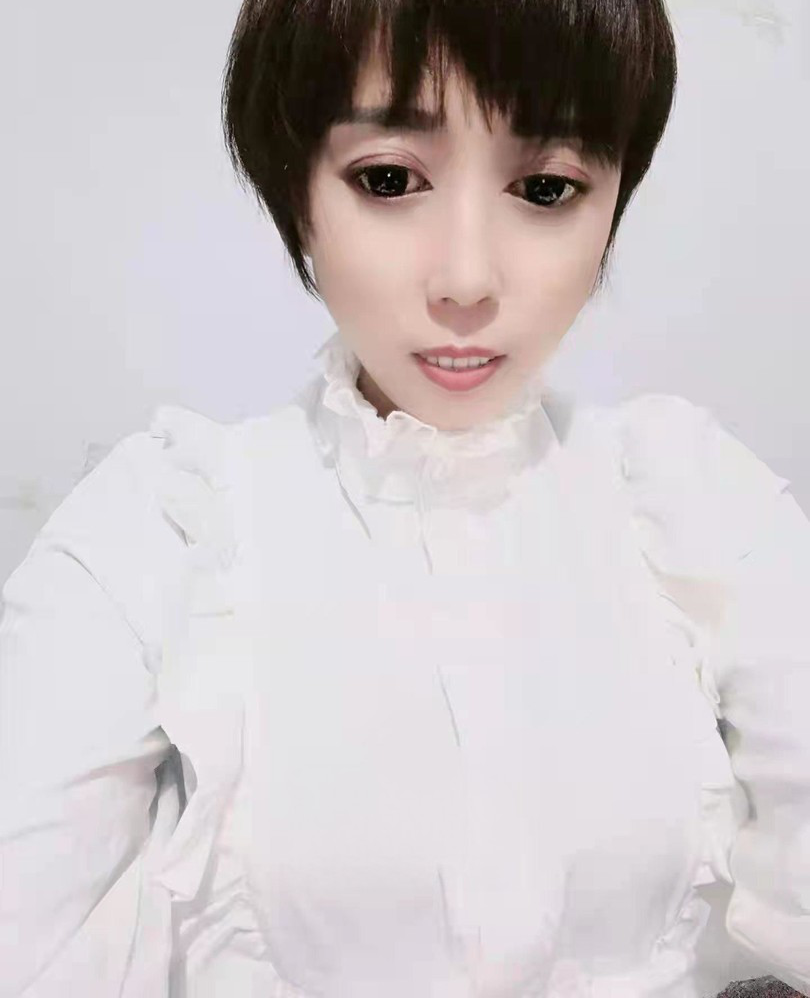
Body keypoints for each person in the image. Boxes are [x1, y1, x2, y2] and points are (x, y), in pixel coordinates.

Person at [1, 0, 808, 995]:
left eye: (546, 187)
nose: (466, 279)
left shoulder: (696, 502)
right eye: (389, 179)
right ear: (296, 188)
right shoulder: (159, 528)